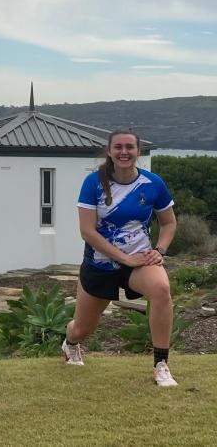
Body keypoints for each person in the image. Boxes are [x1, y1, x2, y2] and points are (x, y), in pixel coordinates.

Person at [62, 130, 178, 386]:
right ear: (109, 151)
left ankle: (161, 365)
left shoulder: (153, 183)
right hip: (100, 264)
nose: (124, 152)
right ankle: (70, 344)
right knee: (83, 328)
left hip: (140, 260)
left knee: (161, 289)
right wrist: (124, 258)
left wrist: (158, 251)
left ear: (138, 151)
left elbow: (168, 223)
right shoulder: (93, 183)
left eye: (130, 147)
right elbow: (87, 231)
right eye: (118, 147)